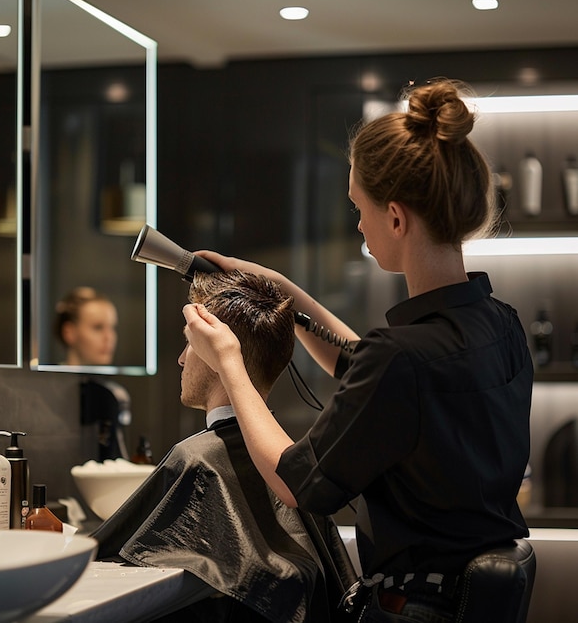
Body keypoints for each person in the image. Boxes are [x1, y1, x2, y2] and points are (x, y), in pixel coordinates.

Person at [182, 78, 534, 622]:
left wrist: (230, 362)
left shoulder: (404, 357)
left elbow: (296, 481)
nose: (359, 225)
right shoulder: (501, 327)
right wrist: (284, 290)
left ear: (395, 217)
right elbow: (363, 367)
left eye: (359, 207)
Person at [91, 270, 357, 623]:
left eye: (189, 343)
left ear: (214, 351)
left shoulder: (199, 460)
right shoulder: (296, 464)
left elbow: (101, 558)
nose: (182, 359)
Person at [54, 286, 118, 365]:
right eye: (98, 327)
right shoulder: (48, 377)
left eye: (112, 327)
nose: (109, 337)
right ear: (69, 332)